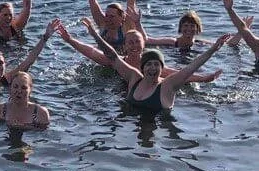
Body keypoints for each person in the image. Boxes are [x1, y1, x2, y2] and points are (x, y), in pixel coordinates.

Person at [83, 27, 231, 112]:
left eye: (156, 64)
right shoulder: (134, 77)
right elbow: (112, 56)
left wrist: (212, 49)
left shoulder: (168, 85)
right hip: (128, 130)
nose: (152, 68)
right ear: (143, 67)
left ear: (162, 68)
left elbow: (191, 67)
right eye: (148, 64)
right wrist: (96, 35)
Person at [56, 20, 222, 85]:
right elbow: (92, 52)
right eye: (130, 42)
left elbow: (179, 74)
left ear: (144, 44)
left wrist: (204, 78)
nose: (134, 45)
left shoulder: (151, 66)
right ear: (125, 46)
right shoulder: (118, 61)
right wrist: (70, 40)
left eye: (137, 42)